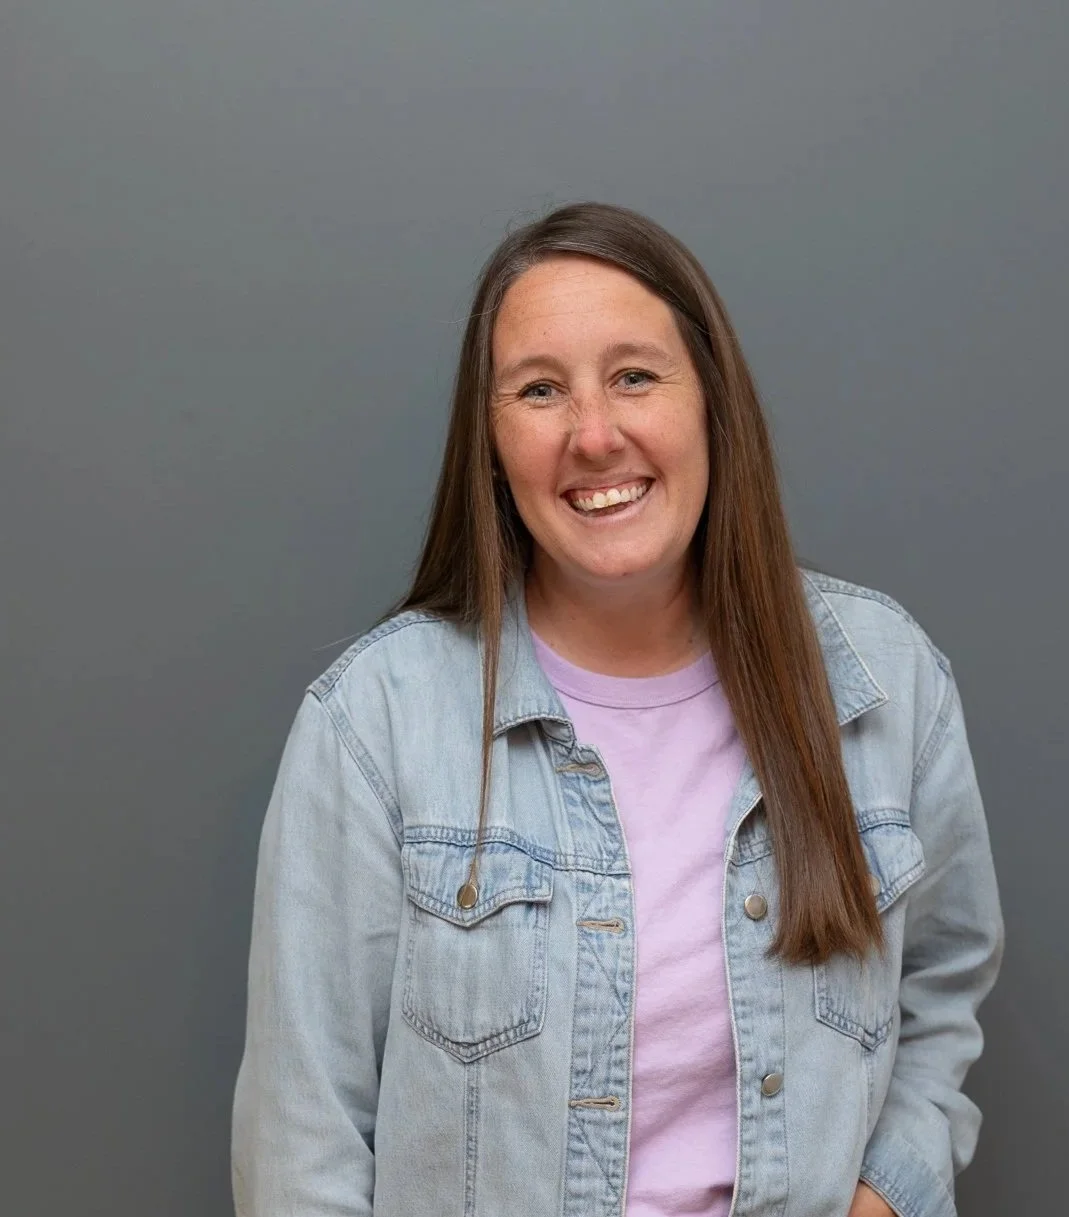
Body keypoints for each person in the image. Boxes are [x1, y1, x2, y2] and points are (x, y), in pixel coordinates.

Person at [231, 201, 1003, 1217]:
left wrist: (885, 1194)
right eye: (539, 389)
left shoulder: (884, 681)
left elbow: (943, 982)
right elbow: (303, 1140)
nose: (593, 435)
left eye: (634, 375)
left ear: (710, 403)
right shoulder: (373, 724)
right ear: (492, 441)